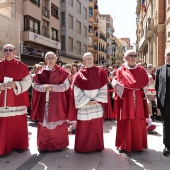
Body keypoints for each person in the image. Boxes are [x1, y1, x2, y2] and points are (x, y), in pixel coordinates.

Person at [31, 51, 70, 153]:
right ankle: (43, 145)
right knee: (44, 123)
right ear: (45, 60)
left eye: (52, 58)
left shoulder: (62, 72)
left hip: (57, 102)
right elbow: (34, 85)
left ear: (56, 59)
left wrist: (53, 87)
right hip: (44, 102)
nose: (50, 60)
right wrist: (44, 87)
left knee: (57, 123)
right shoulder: (40, 72)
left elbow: (66, 86)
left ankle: (58, 145)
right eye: (48, 58)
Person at [111, 49, 149, 153]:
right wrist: (123, 89)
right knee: (125, 121)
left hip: (138, 99)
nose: (133, 58)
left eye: (134, 55)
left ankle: (138, 145)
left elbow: (146, 83)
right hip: (126, 99)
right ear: (125, 58)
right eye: (130, 56)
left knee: (137, 121)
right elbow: (114, 82)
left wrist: (140, 89)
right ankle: (124, 145)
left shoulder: (141, 70)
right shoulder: (120, 70)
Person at [72, 52, 108, 153]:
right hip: (84, 105)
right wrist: (87, 101)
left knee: (96, 126)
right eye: (87, 58)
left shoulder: (100, 72)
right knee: (84, 127)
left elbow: (103, 87)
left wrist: (96, 99)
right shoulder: (78, 75)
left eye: (91, 58)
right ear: (83, 60)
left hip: (96, 103)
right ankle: (83, 148)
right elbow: (77, 90)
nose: (90, 60)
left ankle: (97, 146)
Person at [0, 44, 31, 155]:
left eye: (10, 50)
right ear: (3, 52)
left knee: (18, 123)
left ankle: (20, 145)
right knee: (3, 123)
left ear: (15, 52)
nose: (8, 52)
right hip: (2, 100)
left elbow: (28, 82)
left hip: (17, 99)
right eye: (6, 50)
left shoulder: (22, 66)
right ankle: (2, 147)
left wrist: (16, 84)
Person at [155, 48, 170, 156]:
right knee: (166, 125)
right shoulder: (159, 70)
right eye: (168, 54)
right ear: (165, 56)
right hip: (165, 102)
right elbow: (157, 87)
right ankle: (167, 146)